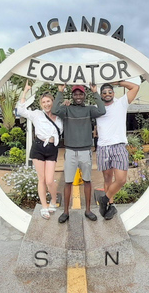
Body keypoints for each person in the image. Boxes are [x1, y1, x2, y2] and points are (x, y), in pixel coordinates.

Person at [52, 84, 106, 223]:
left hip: (85, 151)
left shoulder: (89, 109)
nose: (78, 97)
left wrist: (95, 92)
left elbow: (102, 110)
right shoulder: (67, 109)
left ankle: (88, 210)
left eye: (80, 94)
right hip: (70, 151)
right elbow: (55, 109)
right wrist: (60, 91)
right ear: (72, 96)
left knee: (87, 181)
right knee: (68, 182)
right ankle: (65, 212)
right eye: (75, 94)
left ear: (84, 96)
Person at [17, 82, 63, 220]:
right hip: (38, 147)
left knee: (50, 180)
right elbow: (21, 111)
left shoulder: (60, 116)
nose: (46, 104)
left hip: (52, 148)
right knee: (41, 179)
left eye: (48, 101)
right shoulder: (37, 114)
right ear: (41, 104)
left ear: (53, 102)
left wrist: (66, 102)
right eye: (43, 102)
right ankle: (44, 206)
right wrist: (25, 92)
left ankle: (53, 200)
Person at [96, 81, 139, 220]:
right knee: (107, 178)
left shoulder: (121, 103)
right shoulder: (97, 107)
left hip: (119, 146)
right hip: (103, 147)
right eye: (104, 93)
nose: (107, 94)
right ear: (101, 95)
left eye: (110, 92)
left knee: (120, 180)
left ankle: (105, 199)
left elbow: (135, 87)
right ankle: (110, 205)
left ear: (113, 93)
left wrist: (119, 82)